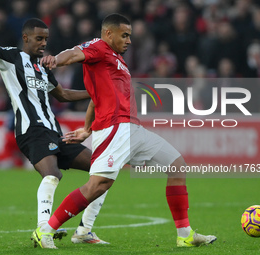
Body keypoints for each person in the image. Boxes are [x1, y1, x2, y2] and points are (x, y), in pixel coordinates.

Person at [38, 13, 218, 249]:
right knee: (98, 186)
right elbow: (72, 54)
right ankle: (46, 231)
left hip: (132, 129)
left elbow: (95, 99)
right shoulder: (98, 47)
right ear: (108, 33)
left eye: (130, 36)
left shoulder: (116, 60)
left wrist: (86, 129)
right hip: (115, 128)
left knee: (176, 165)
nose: (129, 40)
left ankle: (185, 234)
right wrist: (56, 60)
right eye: (124, 35)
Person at [0, 14, 109, 249]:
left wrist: (95, 93)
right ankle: (44, 229)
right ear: (26, 38)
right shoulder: (12, 57)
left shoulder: (44, 67)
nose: (44, 43)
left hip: (54, 132)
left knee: (103, 171)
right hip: (31, 130)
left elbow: (62, 95)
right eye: (39, 39)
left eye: (46, 39)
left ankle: (84, 230)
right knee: (53, 174)